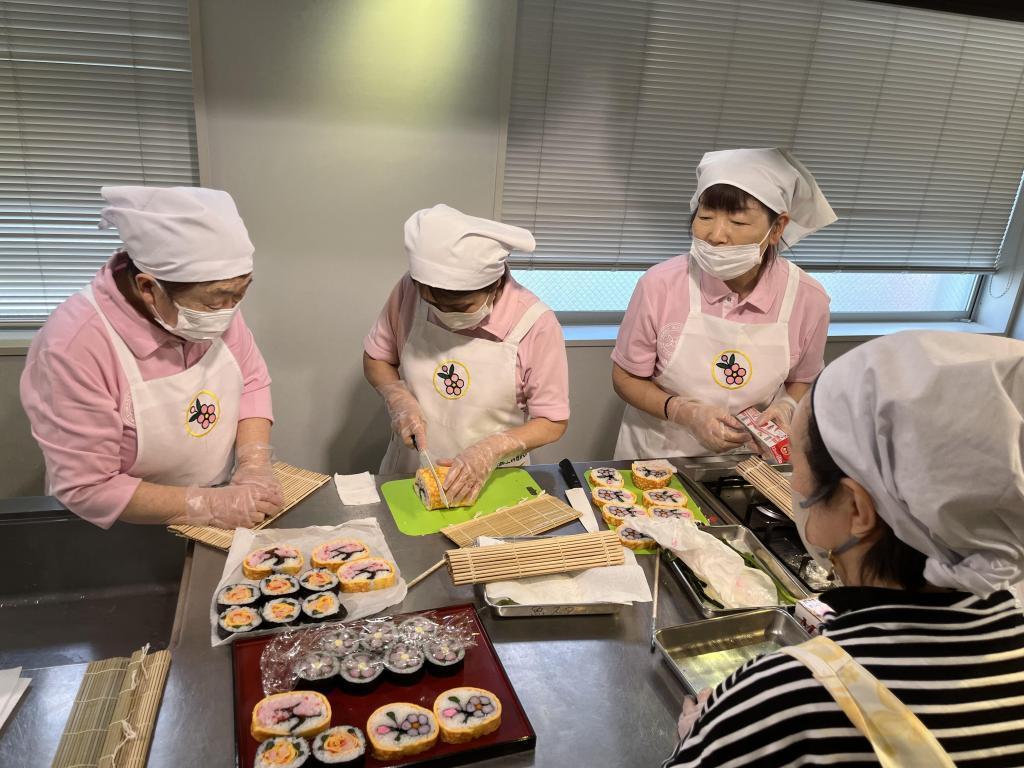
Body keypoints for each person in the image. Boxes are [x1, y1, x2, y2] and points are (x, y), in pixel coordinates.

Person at [666, 331, 1024, 767]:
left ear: (857, 509)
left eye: (796, 466)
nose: (792, 485)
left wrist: (702, 737)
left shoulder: (785, 700)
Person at [21, 186, 282, 529]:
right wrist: (211, 505)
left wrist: (254, 463)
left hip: (218, 507)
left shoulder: (217, 310)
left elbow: (250, 382)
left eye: (241, 292)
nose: (230, 310)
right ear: (148, 288)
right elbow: (89, 486)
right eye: (217, 300)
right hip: (123, 526)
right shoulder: (73, 346)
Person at [613, 148, 835, 459]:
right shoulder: (660, 284)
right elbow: (625, 377)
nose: (716, 235)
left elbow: (803, 379)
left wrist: (786, 406)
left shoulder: (808, 299)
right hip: (657, 453)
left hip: (745, 464)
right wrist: (682, 412)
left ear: (778, 227)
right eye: (705, 216)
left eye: (738, 221)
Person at [364, 204, 569, 505]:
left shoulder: (535, 324)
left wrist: (491, 449)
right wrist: (397, 396)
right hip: (409, 471)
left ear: (494, 285)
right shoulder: (409, 289)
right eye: (432, 303)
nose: (444, 314)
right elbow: (376, 358)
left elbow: (553, 421)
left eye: (459, 308)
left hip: (493, 480)